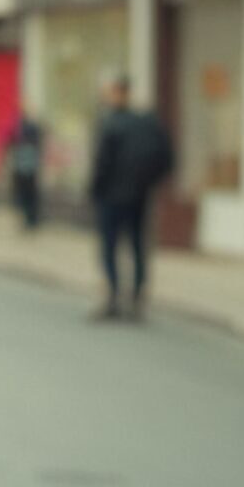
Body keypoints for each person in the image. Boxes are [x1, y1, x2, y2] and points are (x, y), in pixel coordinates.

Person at [88, 73, 173, 320]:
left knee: (111, 247)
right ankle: (136, 298)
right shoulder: (147, 123)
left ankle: (114, 298)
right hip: (139, 196)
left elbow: (101, 164)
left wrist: (95, 190)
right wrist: (149, 185)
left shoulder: (111, 124)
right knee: (137, 246)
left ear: (117, 93)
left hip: (112, 197)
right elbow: (166, 158)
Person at [6, 111, 43, 229]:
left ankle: (31, 219)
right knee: (27, 195)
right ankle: (30, 219)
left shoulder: (26, 129)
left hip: (26, 168)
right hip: (25, 167)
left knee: (28, 195)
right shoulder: (22, 129)